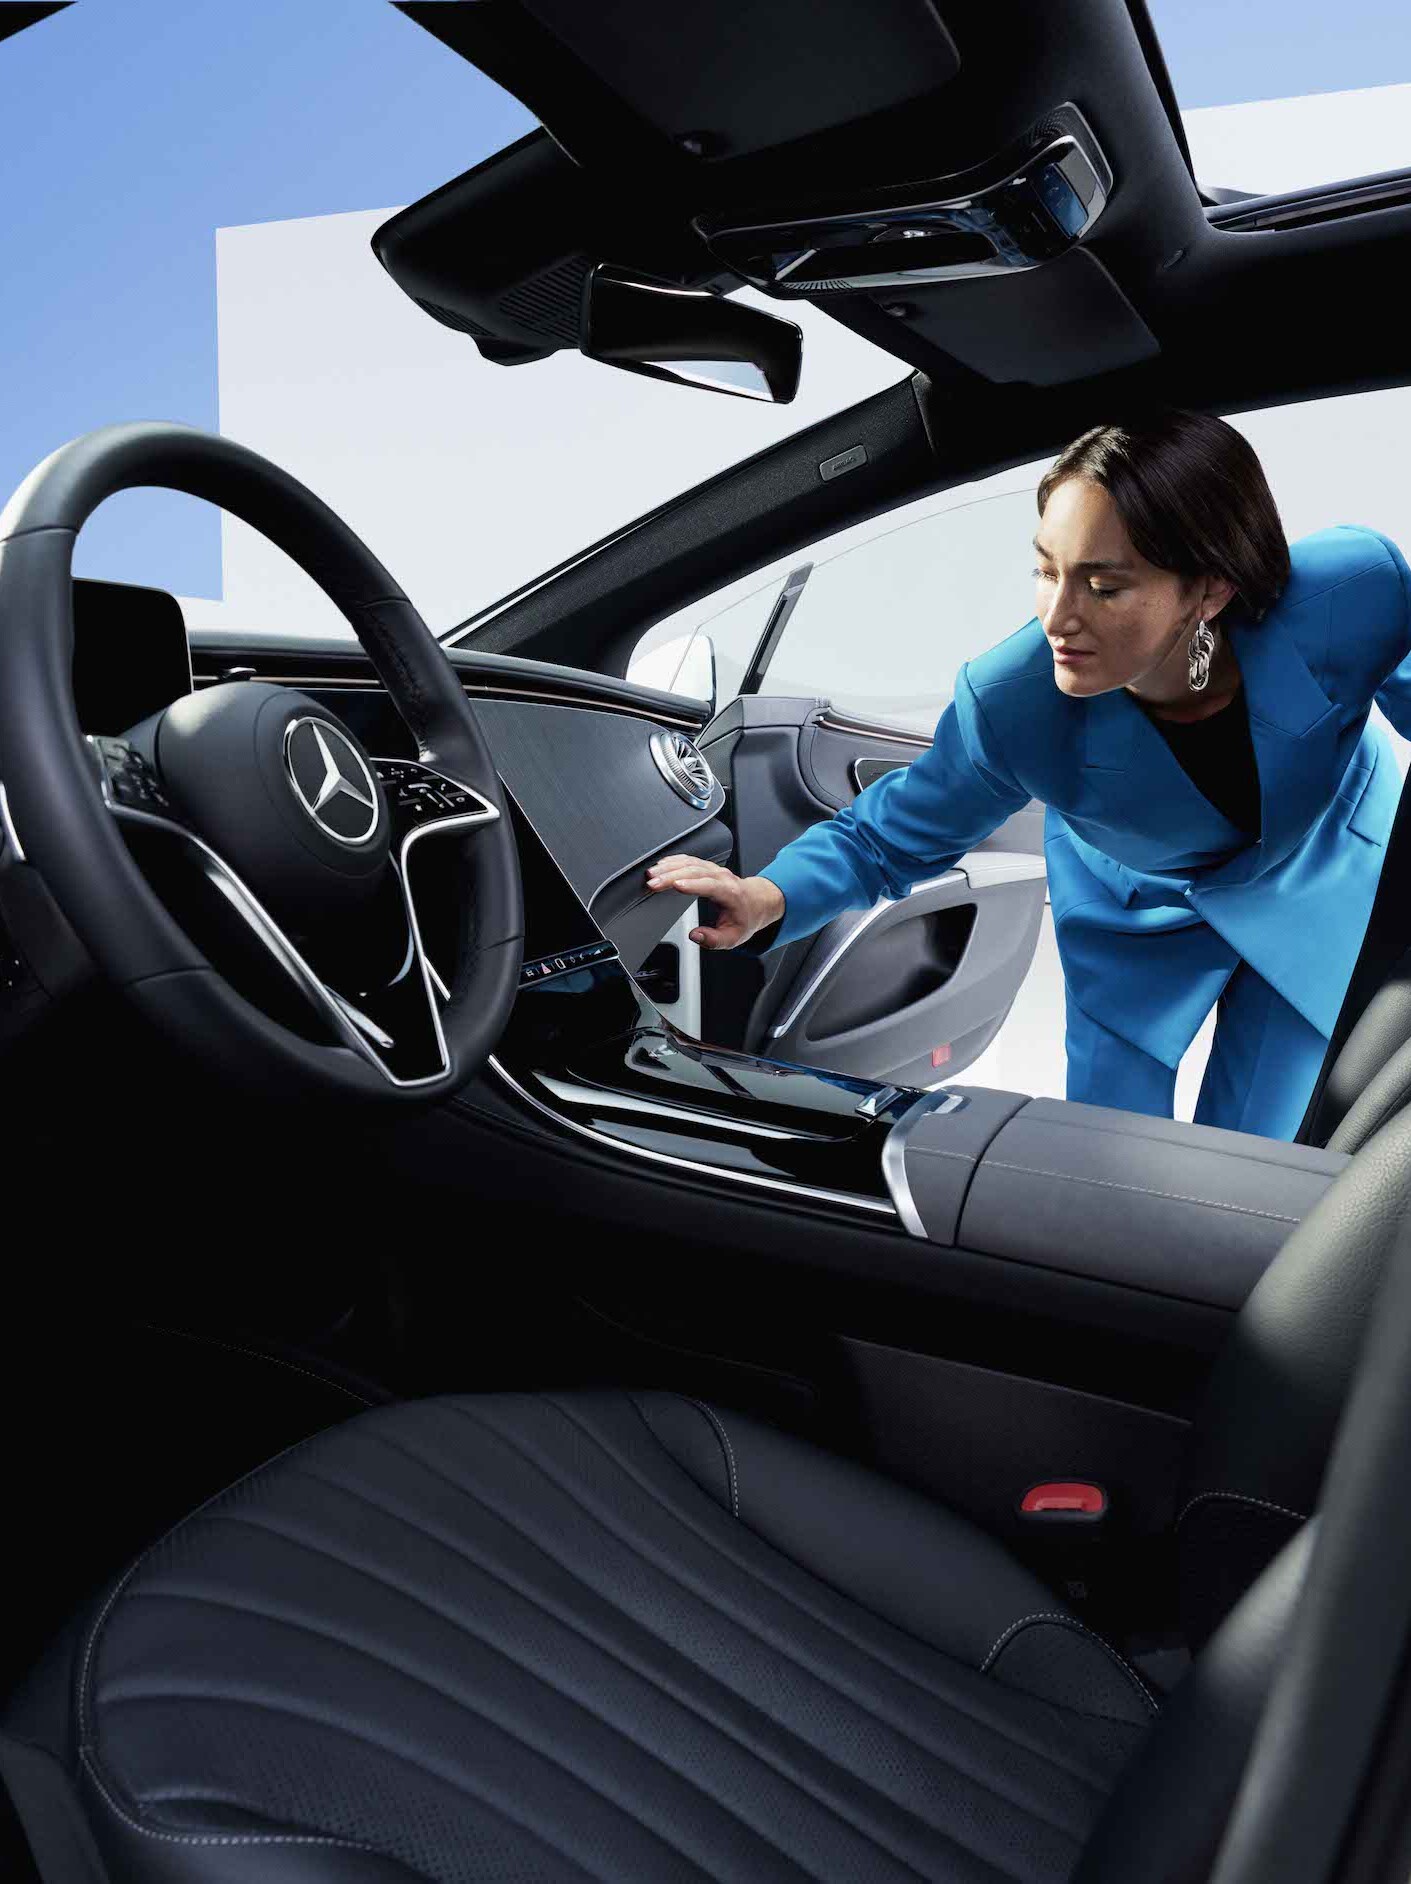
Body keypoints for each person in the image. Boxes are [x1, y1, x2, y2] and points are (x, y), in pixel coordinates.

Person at [644, 409, 1411, 1141]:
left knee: (1262, 1153)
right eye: (1046, 572)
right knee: (1111, 1155)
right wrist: (765, 896)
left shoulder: (1351, 591)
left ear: (1210, 588)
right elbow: (889, 835)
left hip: (1313, 870)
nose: (1057, 618)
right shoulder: (1012, 697)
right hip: (1129, 900)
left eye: (1103, 586)